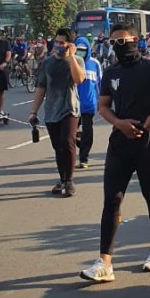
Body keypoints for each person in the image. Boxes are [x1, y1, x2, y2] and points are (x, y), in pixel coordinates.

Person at [80, 22, 150, 283]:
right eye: (114, 43)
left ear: (135, 40)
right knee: (111, 201)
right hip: (120, 142)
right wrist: (119, 123)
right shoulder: (111, 72)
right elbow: (103, 106)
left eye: (123, 42)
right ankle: (105, 261)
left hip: (147, 141)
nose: (119, 47)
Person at [29, 27, 86, 197]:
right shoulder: (47, 63)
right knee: (58, 147)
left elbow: (79, 79)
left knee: (67, 143)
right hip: (51, 111)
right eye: (57, 42)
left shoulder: (77, 61)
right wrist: (33, 112)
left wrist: (71, 58)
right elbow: (41, 88)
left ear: (70, 45)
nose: (59, 45)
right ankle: (62, 178)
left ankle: (69, 181)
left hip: (70, 109)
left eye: (63, 43)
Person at [75, 36, 101, 169]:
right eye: (78, 49)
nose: (81, 52)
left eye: (83, 50)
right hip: (72, 105)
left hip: (88, 104)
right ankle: (79, 143)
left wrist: (102, 102)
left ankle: (84, 158)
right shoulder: (71, 63)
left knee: (87, 131)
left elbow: (100, 84)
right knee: (70, 133)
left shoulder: (95, 63)